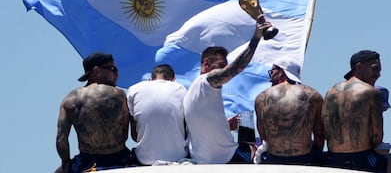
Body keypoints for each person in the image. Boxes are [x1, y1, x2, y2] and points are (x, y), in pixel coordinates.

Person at [183, 15, 271, 164]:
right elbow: (236, 68)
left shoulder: (193, 91)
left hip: (201, 159)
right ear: (206, 64)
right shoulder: (206, 81)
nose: (224, 69)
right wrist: (256, 38)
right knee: (252, 136)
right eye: (221, 65)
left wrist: (225, 124)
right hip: (228, 158)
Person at [322, 50, 391, 173]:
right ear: (359, 67)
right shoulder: (372, 93)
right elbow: (377, 137)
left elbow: (324, 130)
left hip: (332, 159)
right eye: (375, 69)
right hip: (362, 159)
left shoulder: (331, 92)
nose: (378, 74)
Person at [55, 52, 133, 173]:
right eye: (112, 69)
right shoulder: (120, 95)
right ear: (97, 71)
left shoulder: (69, 100)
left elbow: (61, 139)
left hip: (87, 164)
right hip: (120, 160)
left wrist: (66, 163)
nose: (117, 74)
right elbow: (132, 135)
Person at [254, 59, 324, 165]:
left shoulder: (261, 98)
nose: (270, 78)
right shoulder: (313, 95)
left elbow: (263, 135)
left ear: (281, 72)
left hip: (273, 159)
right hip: (304, 159)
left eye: (272, 72)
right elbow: (319, 135)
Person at [127, 64, 187, 165]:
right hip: (178, 158)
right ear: (173, 79)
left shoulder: (134, 89)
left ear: (150, 79)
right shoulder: (181, 89)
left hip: (143, 159)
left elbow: (134, 136)